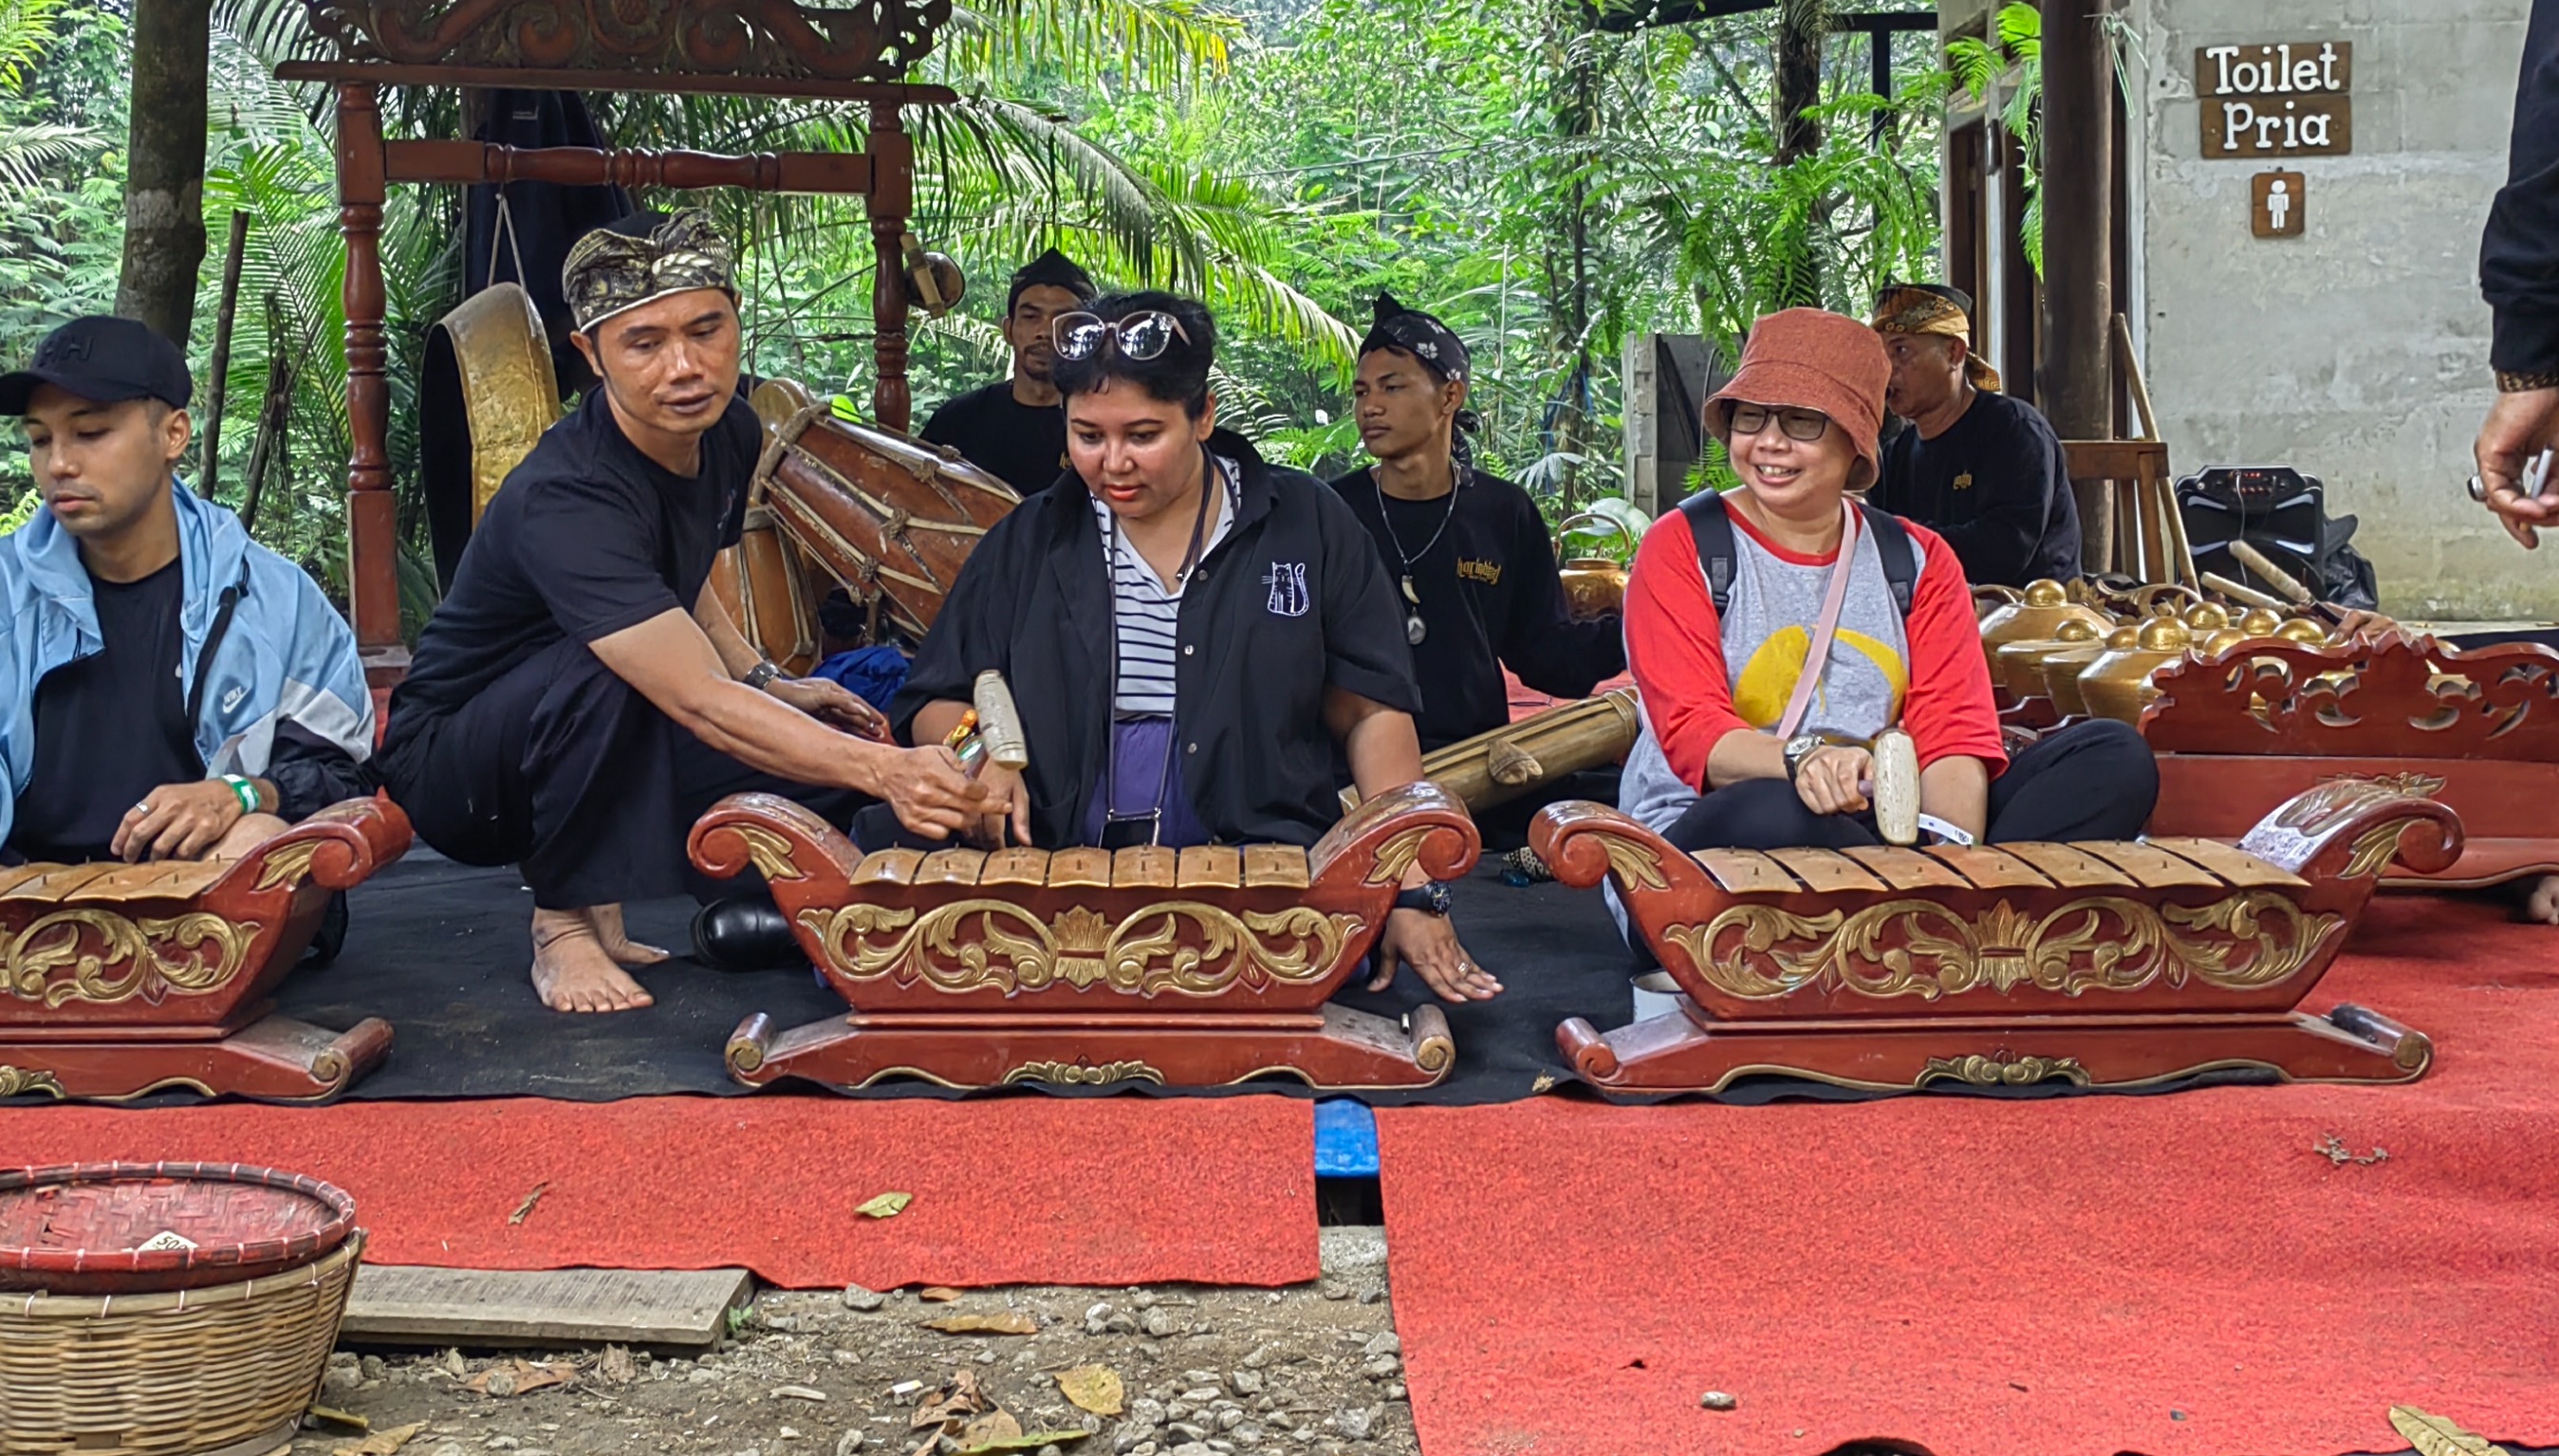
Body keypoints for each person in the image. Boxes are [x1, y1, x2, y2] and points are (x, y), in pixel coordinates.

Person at [380, 217, 994, 1014]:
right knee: (614, 664)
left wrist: (770, 681)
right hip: (464, 771)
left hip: (607, 719)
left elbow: (685, 572)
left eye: (707, 330)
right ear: (591, 354)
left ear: (737, 318)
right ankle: (561, 923)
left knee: (837, 759)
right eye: (644, 344)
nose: (685, 366)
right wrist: (889, 770)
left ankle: (789, 913)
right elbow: (693, 696)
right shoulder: (569, 496)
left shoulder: (729, 430)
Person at [896, 287, 1500, 1006]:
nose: (1113, 463)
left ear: (1204, 415)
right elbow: (935, 699)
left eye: (1143, 435)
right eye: (1088, 436)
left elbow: (1374, 714)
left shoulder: (1305, 523)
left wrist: (1412, 891)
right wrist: (984, 757)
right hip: (1049, 859)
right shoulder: (1030, 537)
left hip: (1254, 856)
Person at [0, 314, 375, 877]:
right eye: (39, 439)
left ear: (173, 434)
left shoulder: (272, 598)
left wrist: (239, 793)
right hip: (11, 885)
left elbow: (342, 777)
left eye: (89, 432)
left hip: (184, 883)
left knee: (255, 845)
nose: (58, 463)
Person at [1617, 308, 2157, 855]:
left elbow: (1951, 735)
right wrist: (1804, 759)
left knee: (2114, 757)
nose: (1770, 442)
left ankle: (1943, 912)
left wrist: (1950, 855)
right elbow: (1694, 732)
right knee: (1774, 810)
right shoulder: (1683, 544)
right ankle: (1944, 916)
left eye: (1801, 421)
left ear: (1855, 439)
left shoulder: (1919, 559)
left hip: (1893, 826)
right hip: (1721, 819)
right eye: (1751, 417)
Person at [1328, 293, 1624, 751]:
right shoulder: (1331, 513)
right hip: (1350, 774)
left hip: (1475, 767)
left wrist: (1637, 628)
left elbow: (1548, 659)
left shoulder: (1504, 514)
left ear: (1450, 395)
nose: (1370, 406)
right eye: (1362, 391)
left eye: (1392, 387)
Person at [1868, 281, 2081, 590]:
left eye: (1901, 350)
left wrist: (1899, 537)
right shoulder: (1895, 456)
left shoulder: (2014, 430)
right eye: (1881, 355)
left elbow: (2005, 551)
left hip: (2032, 623)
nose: (1888, 370)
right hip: (1935, 614)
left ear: (1954, 352)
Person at [917, 250, 1096, 498]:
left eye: (1064, 320)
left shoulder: (1102, 426)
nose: (1044, 331)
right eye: (1031, 317)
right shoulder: (958, 421)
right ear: (1008, 329)